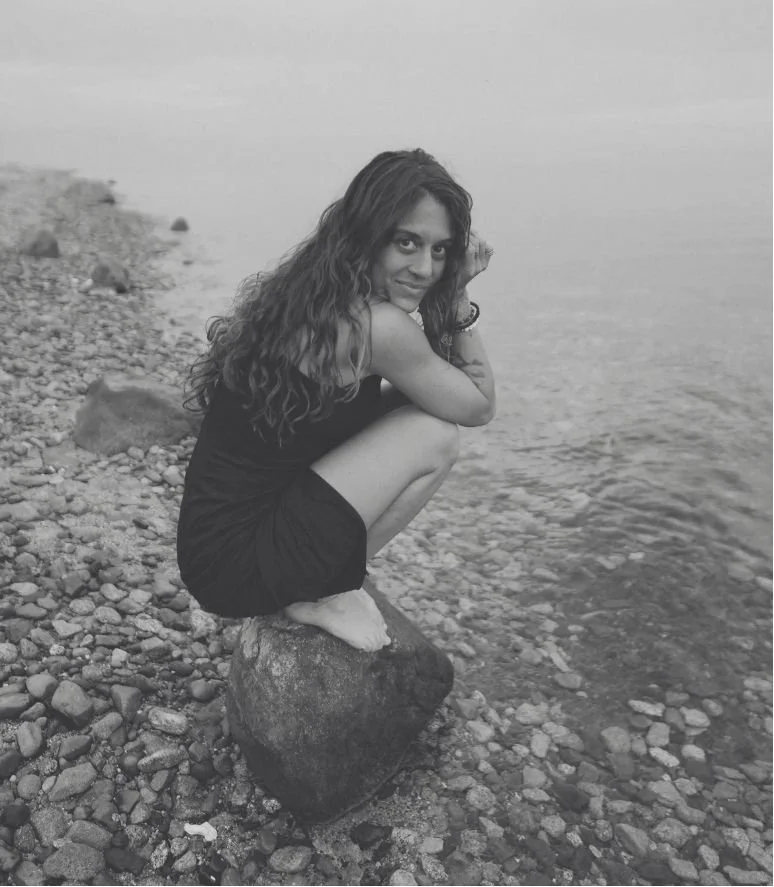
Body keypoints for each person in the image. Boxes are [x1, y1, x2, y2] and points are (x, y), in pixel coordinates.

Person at [177, 148, 496, 652]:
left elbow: (408, 397)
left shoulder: (313, 297)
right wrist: (457, 302)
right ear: (368, 235)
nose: (425, 267)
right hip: (239, 563)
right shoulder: (377, 326)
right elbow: (477, 405)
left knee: (417, 412)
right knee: (436, 436)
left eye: (441, 251)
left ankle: (315, 579)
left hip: (212, 553)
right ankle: (323, 590)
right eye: (407, 243)